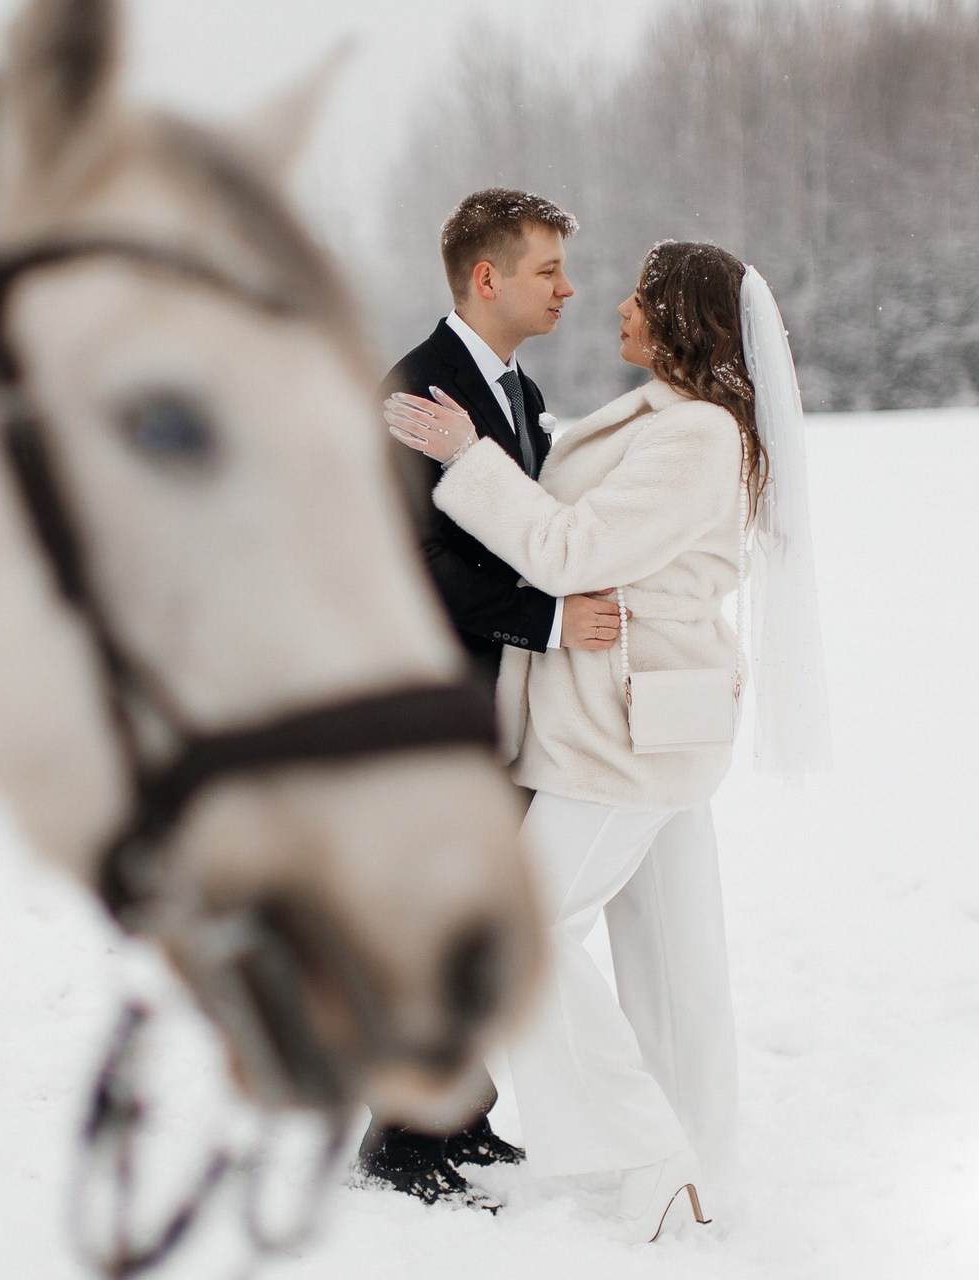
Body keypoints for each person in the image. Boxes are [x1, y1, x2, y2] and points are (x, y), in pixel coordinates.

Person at [387, 240, 828, 1241]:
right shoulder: (671, 418)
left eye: (638, 295)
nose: (615, 305)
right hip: (648, 720)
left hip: (624, 731)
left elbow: (569, 548)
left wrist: (466, 457)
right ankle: (691, 1160)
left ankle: (644, 1159)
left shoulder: (698, 436)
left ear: (678, 318)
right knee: (671, 957)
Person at [356, 188, 624, 1208]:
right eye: (547, 269)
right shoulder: (414, 390)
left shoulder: (513, 386)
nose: (567, 288)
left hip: (494, 700)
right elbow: (406, 562)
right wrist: (547, 620)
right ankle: (398, 1138)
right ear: (486, 277)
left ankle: (459, 1111)